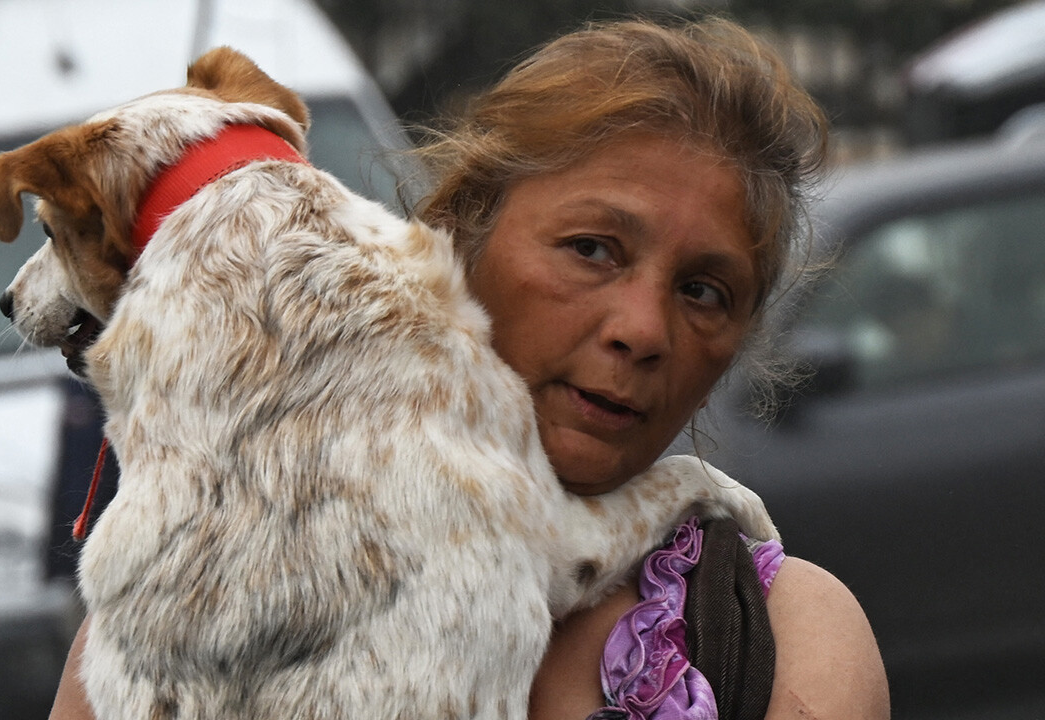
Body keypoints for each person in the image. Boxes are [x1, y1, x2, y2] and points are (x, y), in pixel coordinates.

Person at [48, 16, 889, 720]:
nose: (643, 330)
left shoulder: (780, 637)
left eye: (705, 292)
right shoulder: (190, 601)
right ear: (454, 241)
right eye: (592, 248)